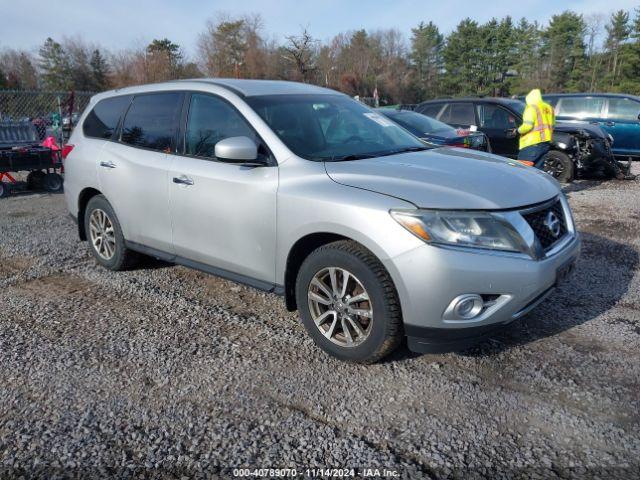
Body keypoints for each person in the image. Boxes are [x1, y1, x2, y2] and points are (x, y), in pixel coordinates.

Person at [517, 89, 555, 169]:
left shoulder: (531, 108)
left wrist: (517, 131)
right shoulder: (549, 108)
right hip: (545, 143)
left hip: (531, 143)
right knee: (538, 171)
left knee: (522, 169)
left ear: (529, 98)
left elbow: (527, 126)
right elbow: (553, 125)